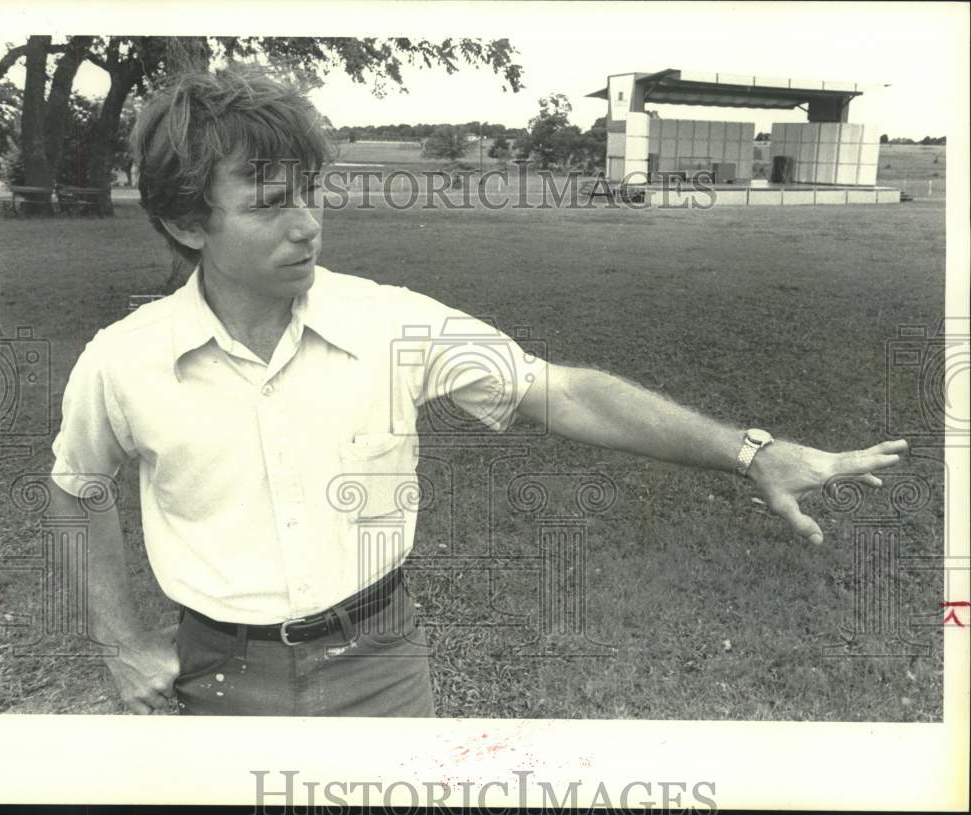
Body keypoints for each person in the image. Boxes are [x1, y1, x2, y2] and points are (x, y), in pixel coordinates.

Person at [48, 65, 908, 716]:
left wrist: (749, 451)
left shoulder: (393, 324)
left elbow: (557, 391)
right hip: (215, 682)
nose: (308, 220)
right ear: (186, 221)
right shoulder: (122, 361)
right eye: (272, 201)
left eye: (313, 190)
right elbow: (77, 487)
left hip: (382, 666)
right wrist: (121, 642)